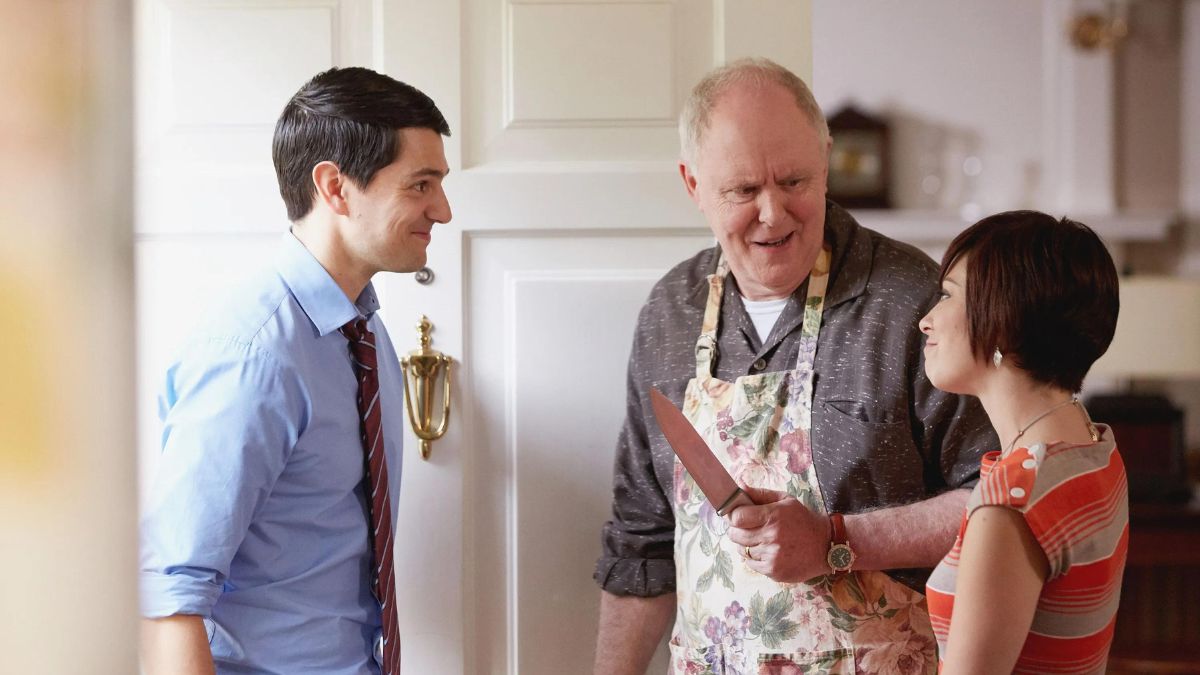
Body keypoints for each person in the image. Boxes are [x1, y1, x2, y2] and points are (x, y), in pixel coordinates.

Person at [593, 57, 997, 675]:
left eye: (794, 181)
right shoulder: (669, 316)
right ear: (692, 184)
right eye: (743, 191)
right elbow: (641, 544)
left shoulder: (912, 301)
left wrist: (838, 542)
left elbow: (997, 500)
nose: (774, 214)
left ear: (827, 158)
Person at [139, 67, 452, 675]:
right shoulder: (254, 354)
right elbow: (170, 594)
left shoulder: (364, 334)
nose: (441, 209)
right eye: (421, 184)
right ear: (336, 188)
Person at [920, 211, 1128, 674]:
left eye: (948, 296)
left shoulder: (1012, 505)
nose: (926, 322)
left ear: (1004, 323)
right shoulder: (1092, 443)